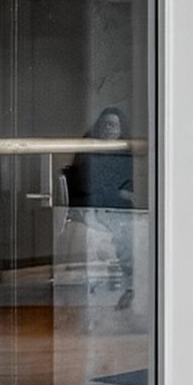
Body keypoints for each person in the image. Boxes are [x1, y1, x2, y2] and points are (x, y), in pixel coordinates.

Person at [71, 106, 138, 308]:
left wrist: (123, 195)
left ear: (121, 129)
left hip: (118, 208)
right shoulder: (88, 149)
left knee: (128, 234)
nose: (109, 129)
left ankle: (129, 289)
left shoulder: (125, 151)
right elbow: (83, 184)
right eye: (106, 124)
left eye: (114, 125)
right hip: (92, 206)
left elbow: (128, 187)